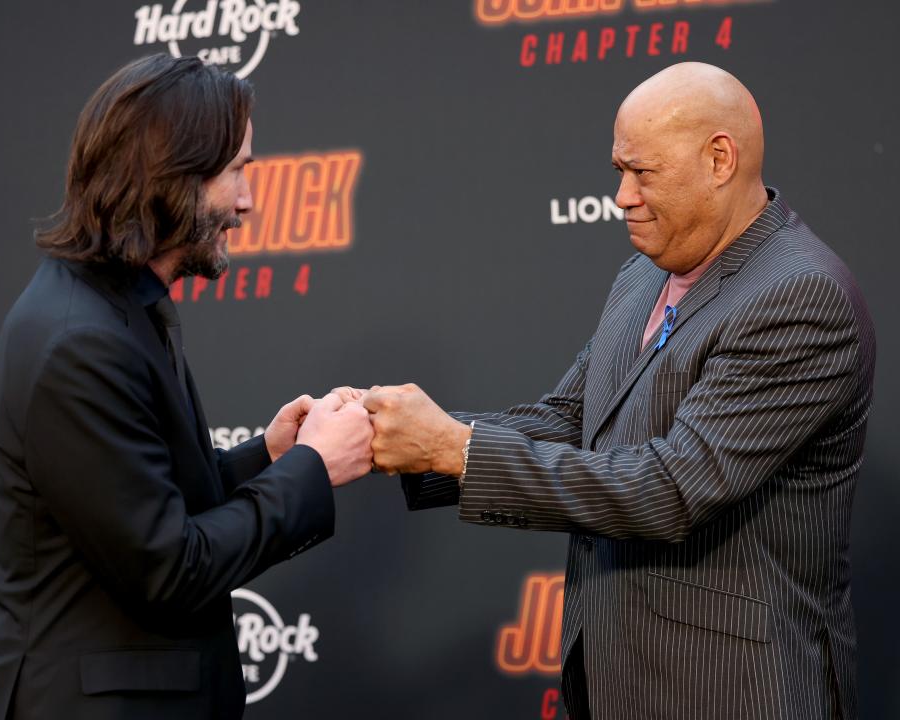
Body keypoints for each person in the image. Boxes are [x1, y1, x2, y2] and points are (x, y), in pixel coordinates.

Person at [351, 63, 876, 719]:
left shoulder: (799, 297)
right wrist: (388, 433)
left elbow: (671, 489)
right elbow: (573, 421)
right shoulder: (642, 275)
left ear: (720, 159)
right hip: (614, 678)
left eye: (643, 173)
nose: (622, 197)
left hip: (732, 691)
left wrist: (454, 448)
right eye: (618, 172)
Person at [0, 54, 373, 720]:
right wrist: (315, 468)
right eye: (238, 171)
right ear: (171, 174)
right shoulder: (80, 340)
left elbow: (146, 498)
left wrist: (269, 455)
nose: (247, 201)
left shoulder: (122, 305)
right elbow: (170, 567)